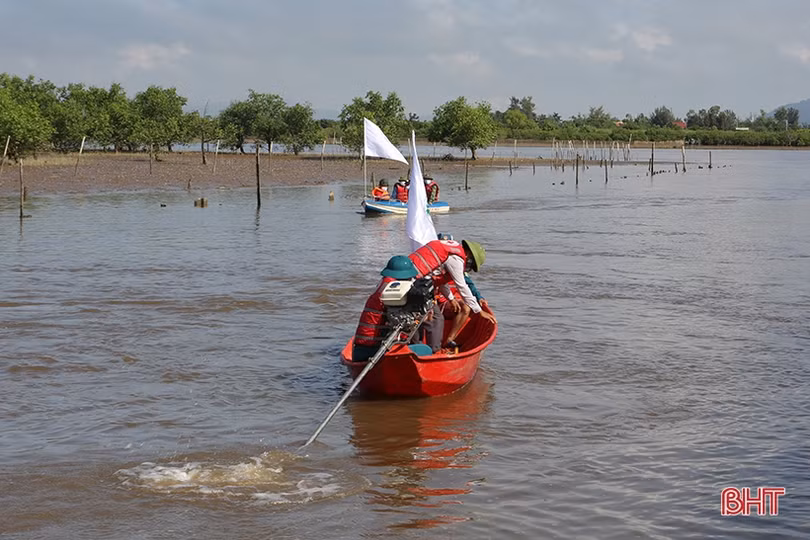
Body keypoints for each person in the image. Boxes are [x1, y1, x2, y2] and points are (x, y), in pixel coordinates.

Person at [408, 236, 496, 351]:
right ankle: (434, 351)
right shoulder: (456, 259)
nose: (469, 265)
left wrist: (451, 299)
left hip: (412, 280)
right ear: (468, 253)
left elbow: (440, 280)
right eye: (471, 263)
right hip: (417, 284)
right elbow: (462, 286)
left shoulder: (449, 252)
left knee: (417, 315)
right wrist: (479, 311)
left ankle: (415, 347)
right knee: (436, 318)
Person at [353, 255, 418, 362]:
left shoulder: (384, 284)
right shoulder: (396, 294)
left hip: (360, 349)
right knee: (425, 350)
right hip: (378, 350)